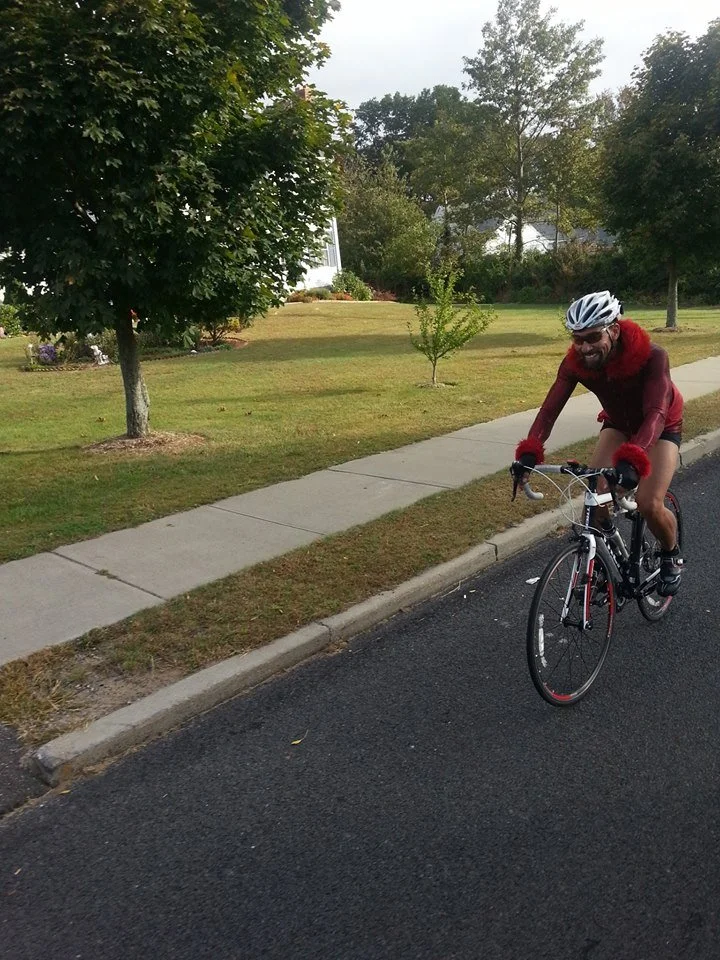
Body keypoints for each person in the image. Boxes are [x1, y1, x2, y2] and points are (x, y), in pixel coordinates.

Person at [512, 290, 684, 596]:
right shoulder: (575, 362)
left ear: (613, 330)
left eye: (593, 337)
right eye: (578, 339)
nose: (585, 347)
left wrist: (633, 460)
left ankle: (671, 555)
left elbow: (657, 413)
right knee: (596, 494)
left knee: (648, 502)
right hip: (618, 423)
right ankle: (604, 558)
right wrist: (529, 451)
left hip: (661, 425)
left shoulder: (652, 357)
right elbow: (550, 409)